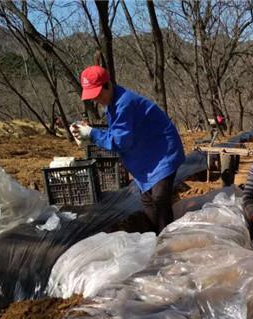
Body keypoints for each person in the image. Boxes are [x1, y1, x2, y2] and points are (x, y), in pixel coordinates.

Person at [71, 65, 185, 234]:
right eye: (93, 97)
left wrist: (93, 134)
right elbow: (118, 131)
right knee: (147, 199)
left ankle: (167, 240)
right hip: (147, 154)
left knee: (160, 199)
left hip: (162, 152)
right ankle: (155, 235)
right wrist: (90, 131)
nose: (97, 100)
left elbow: (121, 141)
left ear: (108, 85)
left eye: (99, 94)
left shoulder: (124, 103)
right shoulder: (111, 103)